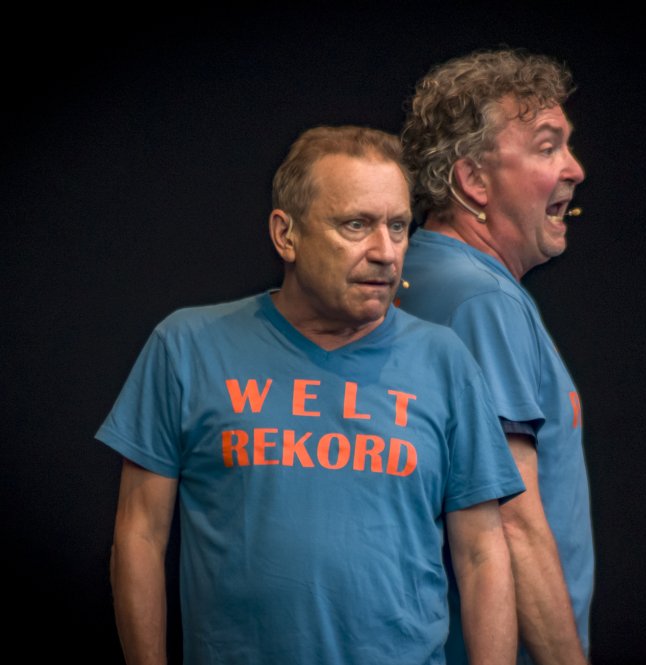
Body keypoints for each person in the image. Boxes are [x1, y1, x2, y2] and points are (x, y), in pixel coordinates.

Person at [96, 125, 526, 665]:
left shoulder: (445, 361)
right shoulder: (186, 346)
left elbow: (482, 555)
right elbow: (139, 535)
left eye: (398, 227)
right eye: (356, 225)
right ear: (286, 235)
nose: (385, 252)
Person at [397, 48, 593, 665]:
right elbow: (512, 521)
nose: (575, 169)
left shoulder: (425, 274)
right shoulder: (480, 300)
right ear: (473, 181)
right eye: (547, 147)